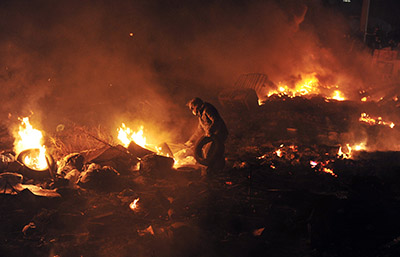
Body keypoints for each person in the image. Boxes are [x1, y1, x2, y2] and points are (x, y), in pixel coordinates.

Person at [186, 97, 228, 174]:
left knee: (209, 152)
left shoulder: (208, 109)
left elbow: (216, 120)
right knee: (211, 152)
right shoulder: (201, 115)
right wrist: (191, 140)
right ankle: (218, 169)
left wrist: (210, 130)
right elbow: (199, 130)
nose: (192, 111)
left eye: (192, 109)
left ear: (195, 106)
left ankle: (212, 172)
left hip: (219, 133)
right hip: (212, 135)